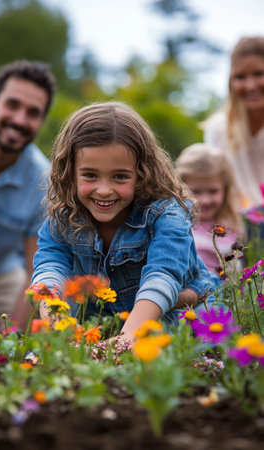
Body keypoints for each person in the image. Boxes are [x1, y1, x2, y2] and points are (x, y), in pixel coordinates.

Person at [31, 101, 220, 341]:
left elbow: (163, 276)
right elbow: (50, 269)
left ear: (142, 173)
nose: (103, 190)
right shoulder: (65, 216)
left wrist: (125, 340)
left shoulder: (166, 214)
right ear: (70, 172)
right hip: (102, 324)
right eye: (90, 175)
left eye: (120, 176)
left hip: (177, 320)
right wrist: (56, 332)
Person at [0, 60, 56, 330]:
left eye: (32, 112)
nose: (19, 120)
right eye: (12, 105)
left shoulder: (43, 181)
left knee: (20, 321)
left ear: (41, 121)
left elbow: (34, 272)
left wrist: (12, 339)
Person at [204, 36, 264, 209]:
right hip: (239, 229)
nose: (250, 86)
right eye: (240, 77)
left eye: (258, 74)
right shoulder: (218, 130)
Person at [175, 143, 246, 275]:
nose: (204, 200)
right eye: (195, 191)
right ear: (179, 188)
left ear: (225, 189)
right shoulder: (180, 226)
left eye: (213, 191)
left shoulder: (233, 222)